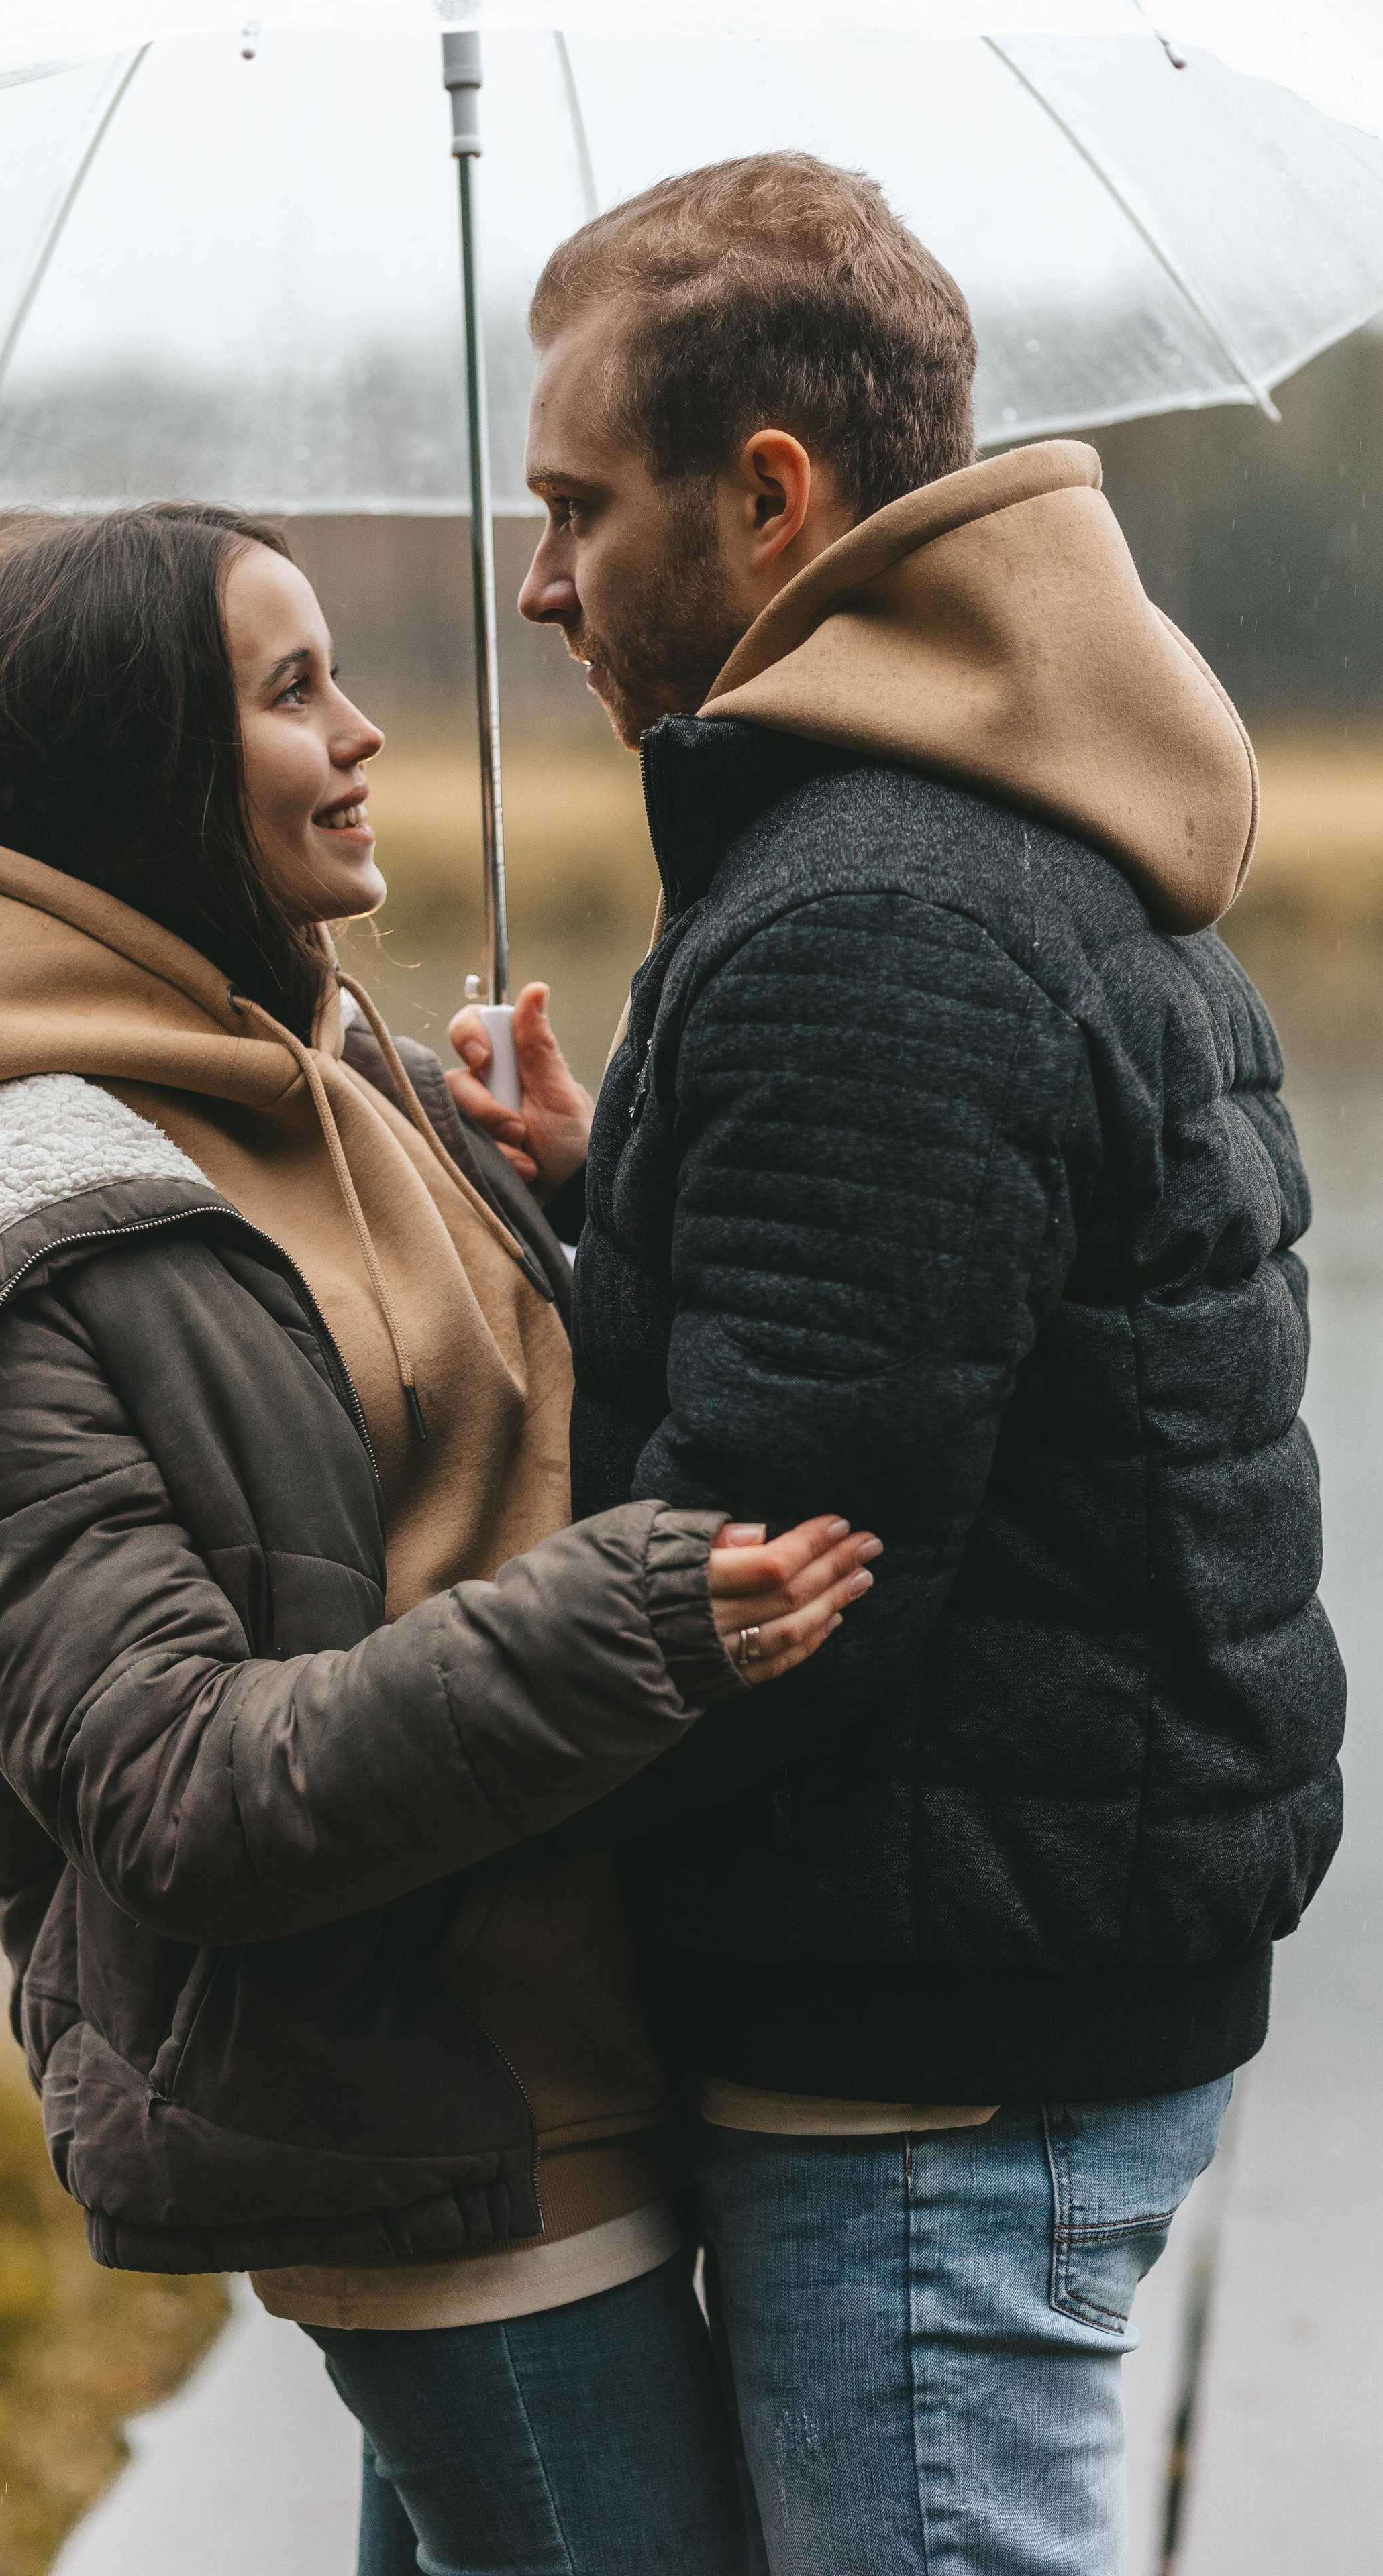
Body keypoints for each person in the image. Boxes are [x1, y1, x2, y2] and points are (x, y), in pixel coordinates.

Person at [0, 504, 883, 2575]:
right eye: (292, 692)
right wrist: (639, 1619)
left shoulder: (329, 1062)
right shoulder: (10, 1238)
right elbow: (175, 1790)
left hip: (588, 2057)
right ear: (149, 772)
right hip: (438, 2116)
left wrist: (579, 1179)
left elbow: (479, 1468)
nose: (364, 732)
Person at [448, 153, 1345, 2575]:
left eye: (572, 510)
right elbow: (891, 1379)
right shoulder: (966, 838)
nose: (540, 584)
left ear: (769, 499)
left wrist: (411, 1813)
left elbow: (783, 1563)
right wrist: (601, 1191)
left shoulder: (880, 913)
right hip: (1000, 1997)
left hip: (930, 2064)